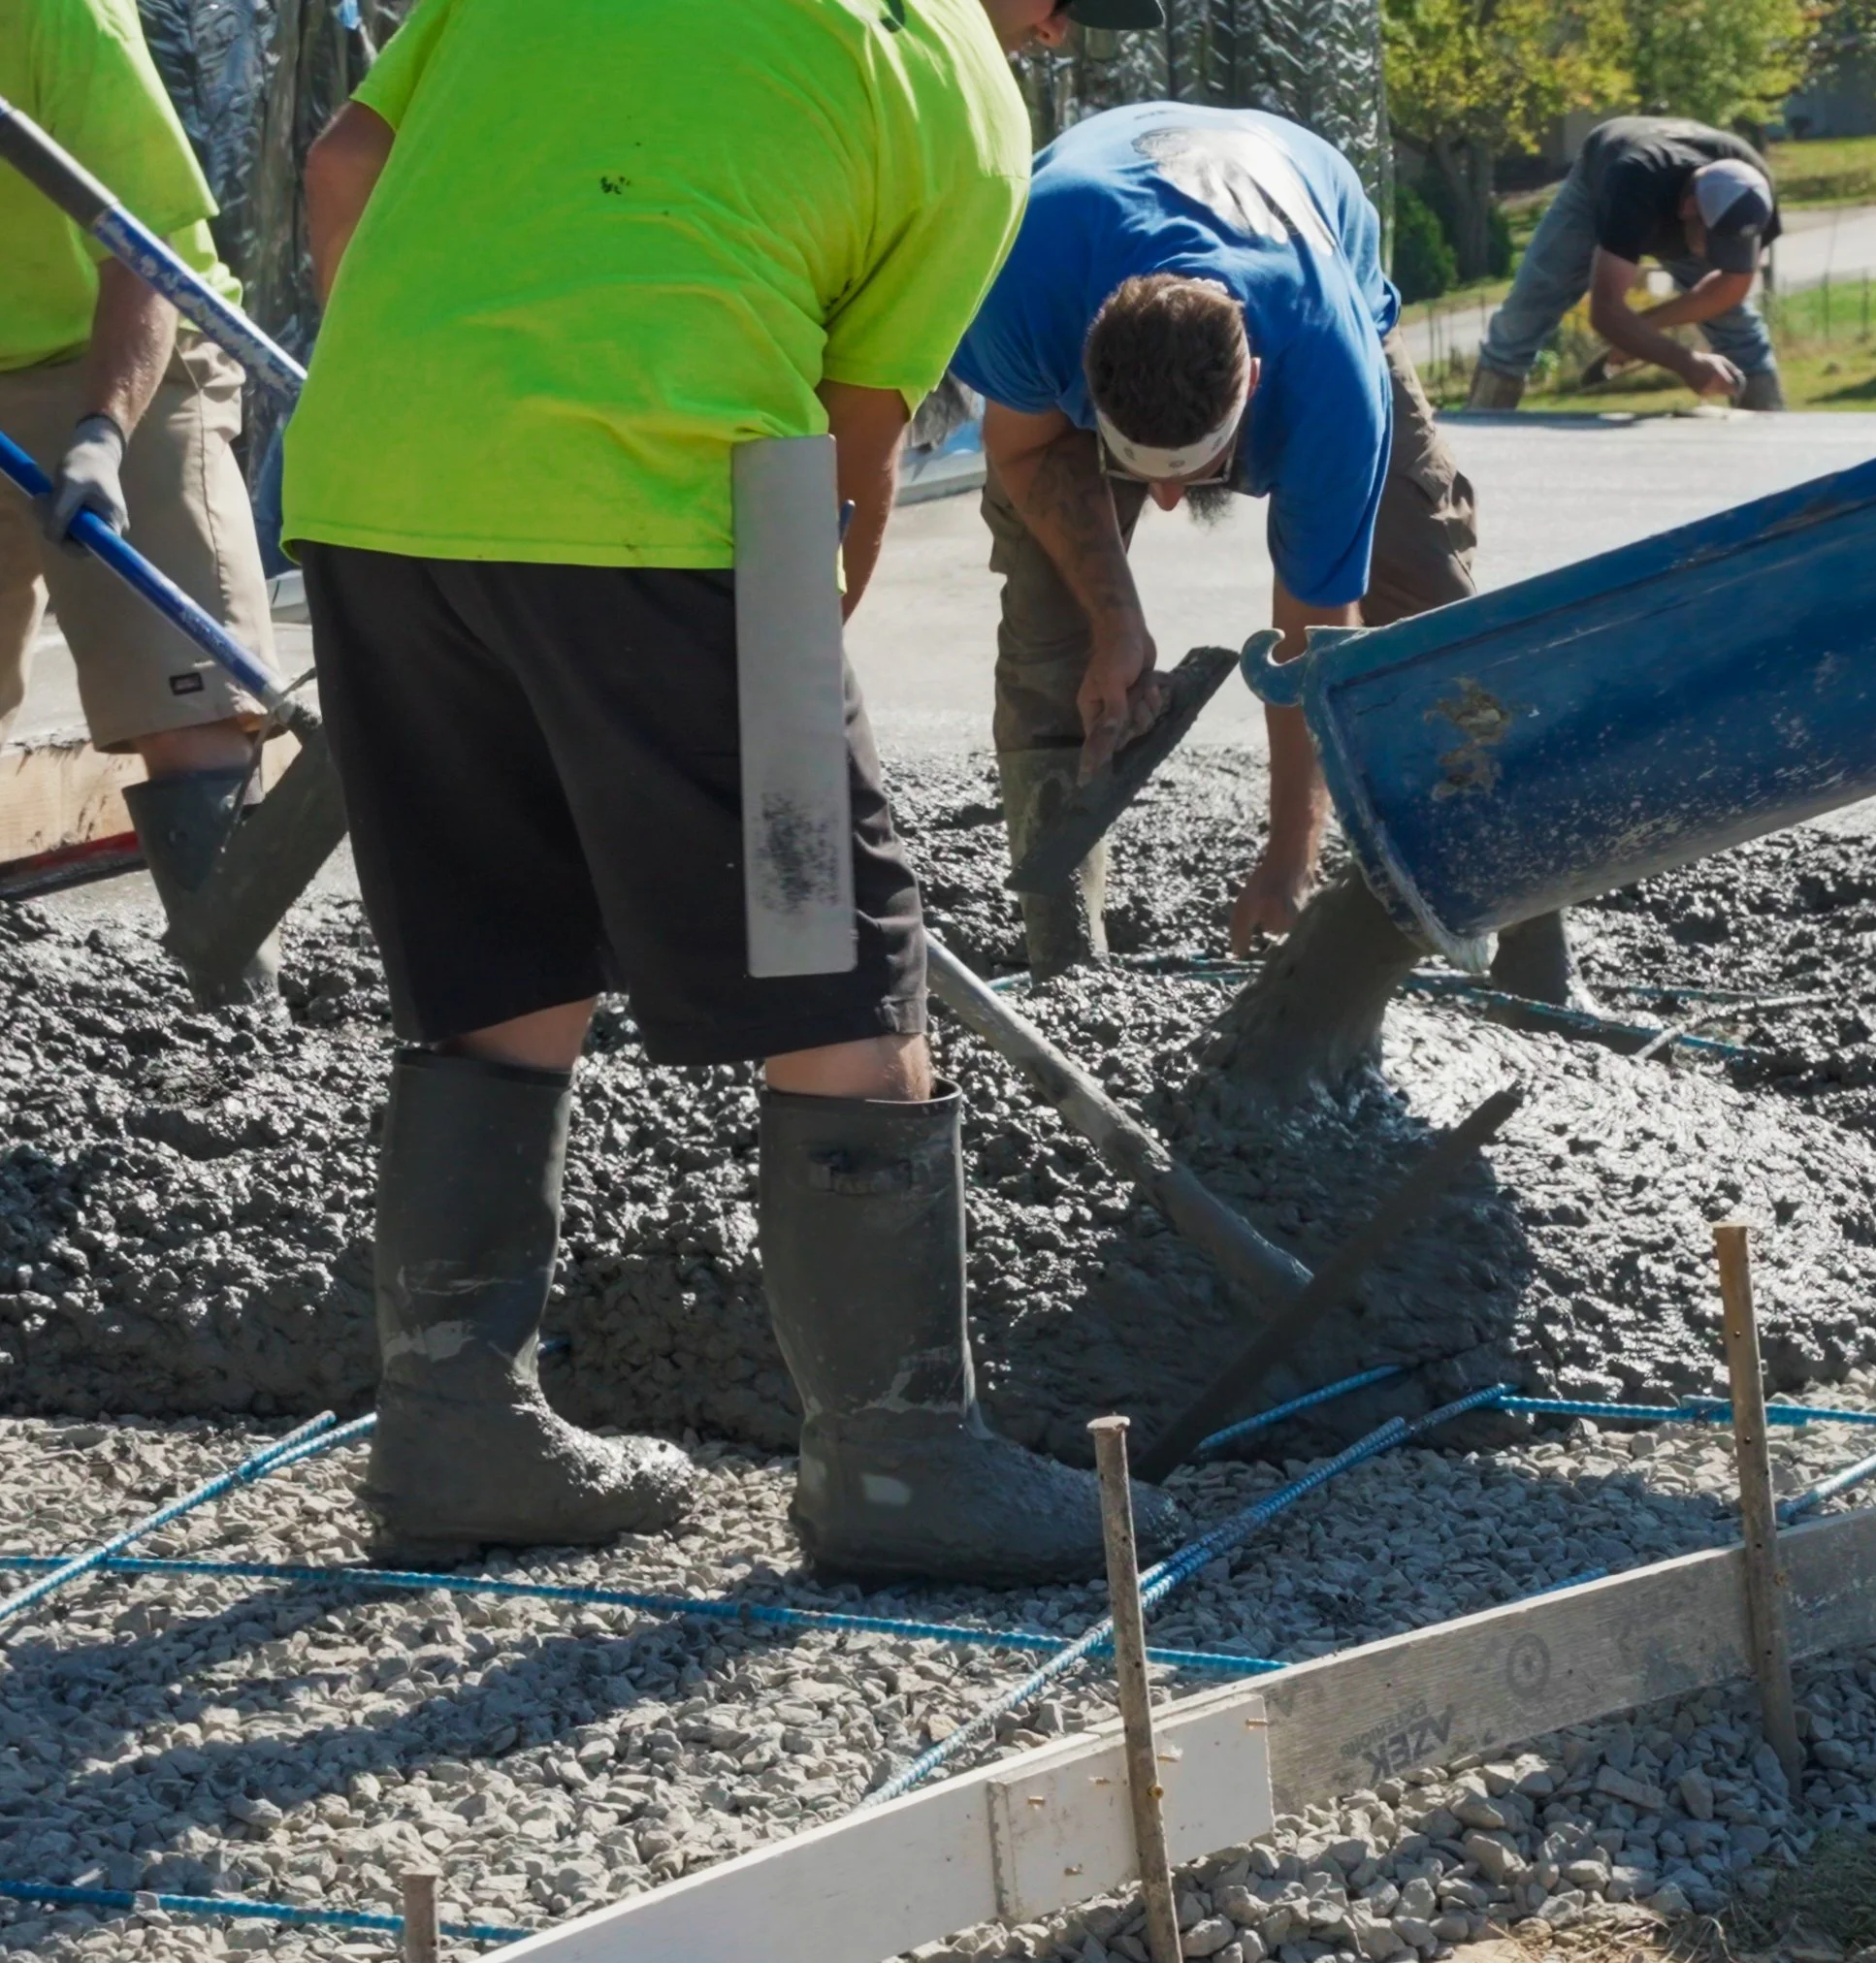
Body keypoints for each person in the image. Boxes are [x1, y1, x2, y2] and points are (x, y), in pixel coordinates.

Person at [282, 0, 1181, 1585]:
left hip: (375, 482)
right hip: (664, 491)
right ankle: (896, 1463)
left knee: (499, 944)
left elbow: (343, 167)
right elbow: (854, 429)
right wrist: (786, 677)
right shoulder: (952, 91)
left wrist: (457, 404)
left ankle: (450, 1422)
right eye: (1056, 18)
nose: (1044, 39)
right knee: (835, 953)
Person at [950, 103, 1586, 1003]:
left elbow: (1313, 640)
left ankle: (1533, 956)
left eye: (1195, 469)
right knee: (1051, 636)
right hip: (1083, 231)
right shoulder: (1022, 292)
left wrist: (1291, 858)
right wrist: (1115, 621)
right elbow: (1021, 450)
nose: (1168, 500)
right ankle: (1066, 965)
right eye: (1138, 472)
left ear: (1250, 386)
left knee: (1430, 618)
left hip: (1314, 268)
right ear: (1082, 371)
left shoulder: (1330, 377)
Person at [0, 0, 279, 1006]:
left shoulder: (54, 15)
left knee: (187, 696)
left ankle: (232, 1006)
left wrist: (101, 435)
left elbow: (146, 243)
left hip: (128, 347)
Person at [1469, 116, 1784, 412]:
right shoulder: (1634, 183)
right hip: (1604, 176)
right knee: (1527, 311)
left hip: (1681, 194)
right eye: (1717, 242)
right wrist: (1685, 362)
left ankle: (1770, 441)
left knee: (1740, 331)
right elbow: (1606, 312)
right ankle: (1480, 432)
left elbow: (1727, 291)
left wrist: (1640, 333)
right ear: (1690, 208)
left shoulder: (1753, 193)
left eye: (1733, 246)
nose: (1717, 256)